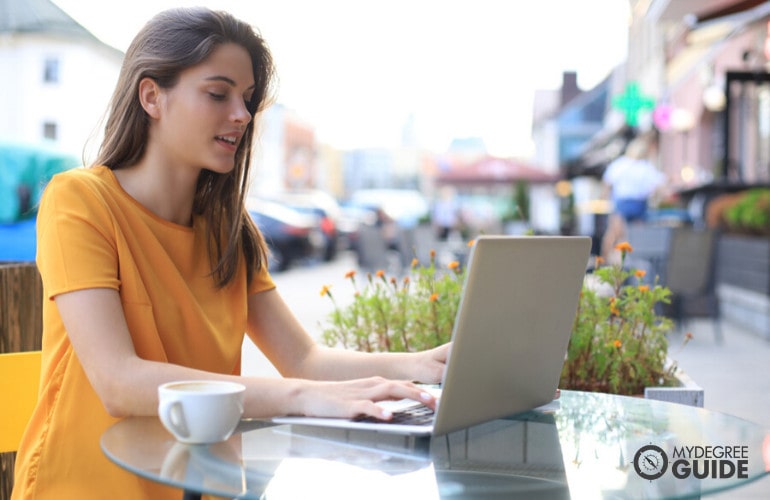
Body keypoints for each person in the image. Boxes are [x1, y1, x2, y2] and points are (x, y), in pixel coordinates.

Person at [12, 8, 448, 499]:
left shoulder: (227, 230)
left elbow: (303, 359)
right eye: (218, 94)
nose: (241, 115)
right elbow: (118, 381)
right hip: (88, 487)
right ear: (152, 96)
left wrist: (423, 366)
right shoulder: (80, 200)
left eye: (246, 98)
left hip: (206, 486)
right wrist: (307, 399)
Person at [600, 135, 665, 262]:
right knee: (636, 237)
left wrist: (606, 199)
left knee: (614, 234)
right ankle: (634, 262)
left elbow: (607, 183)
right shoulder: (645, 167)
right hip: (639, 205)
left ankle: (604, 260)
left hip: (622, 203)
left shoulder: (620, 164)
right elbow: (659, 184)